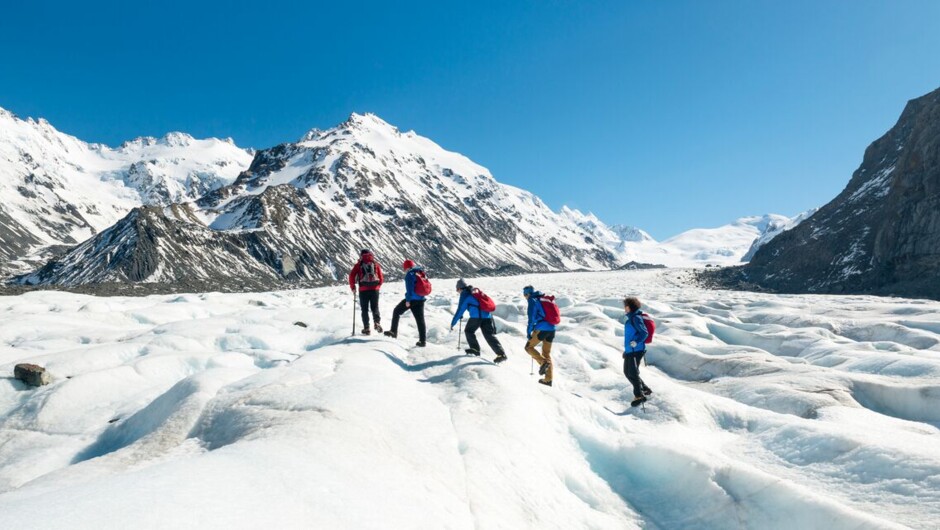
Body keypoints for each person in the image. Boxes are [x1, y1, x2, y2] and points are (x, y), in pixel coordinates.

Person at [450, 279, 507, 363]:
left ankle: (475, 349)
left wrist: (453, 323)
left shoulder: (464, 295)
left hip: (477, 317)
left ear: (460, 288)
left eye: (457, 289)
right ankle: (501, 354)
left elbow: (460, 310)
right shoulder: (474, 292)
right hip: (487, 316)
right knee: (489, 335)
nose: (457, 291)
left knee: (468, 331)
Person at [384, 259, 427, 347]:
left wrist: (408, 301)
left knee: (396, 311)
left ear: (406, 267)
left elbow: (409, 290)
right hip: (421, 299)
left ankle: (393, 332)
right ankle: (422, 341)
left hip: (412, 300)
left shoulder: (409, 275)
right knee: (420, 320)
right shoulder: (419, 272)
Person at [523, 285, 555, 387]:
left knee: (528, 347)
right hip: (552, 329)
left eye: (525, 294)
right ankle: (548, 380)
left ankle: (543, 363)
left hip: (542, 328)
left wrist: (529, 332)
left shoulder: (532, 301)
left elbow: (531, 319)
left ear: (528, 293)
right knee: (546, 353)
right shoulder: (543, 299)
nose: (525, 297)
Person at [623, 296, 652, 407]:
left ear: (630, 307)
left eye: (626, 306)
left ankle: (639, 396)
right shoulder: (631, 318)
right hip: (630, 350)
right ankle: (645, 389)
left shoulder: (636, 318)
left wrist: (636, 342)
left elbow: (644, 333)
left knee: (633, 373)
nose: (624, 308)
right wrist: (627, 350)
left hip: (637, 350)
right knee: (627, 372)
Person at [348, 249, 384, 335]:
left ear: (361, 255)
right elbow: (381, 278)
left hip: (363, 290)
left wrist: (353, 287)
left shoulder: (358, 265)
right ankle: (377, 322)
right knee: (375, 307)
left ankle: (366, 328)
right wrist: (377, 286)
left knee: (364, 310)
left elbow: (351, 276)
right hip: (375, 289)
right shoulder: (375, 264)